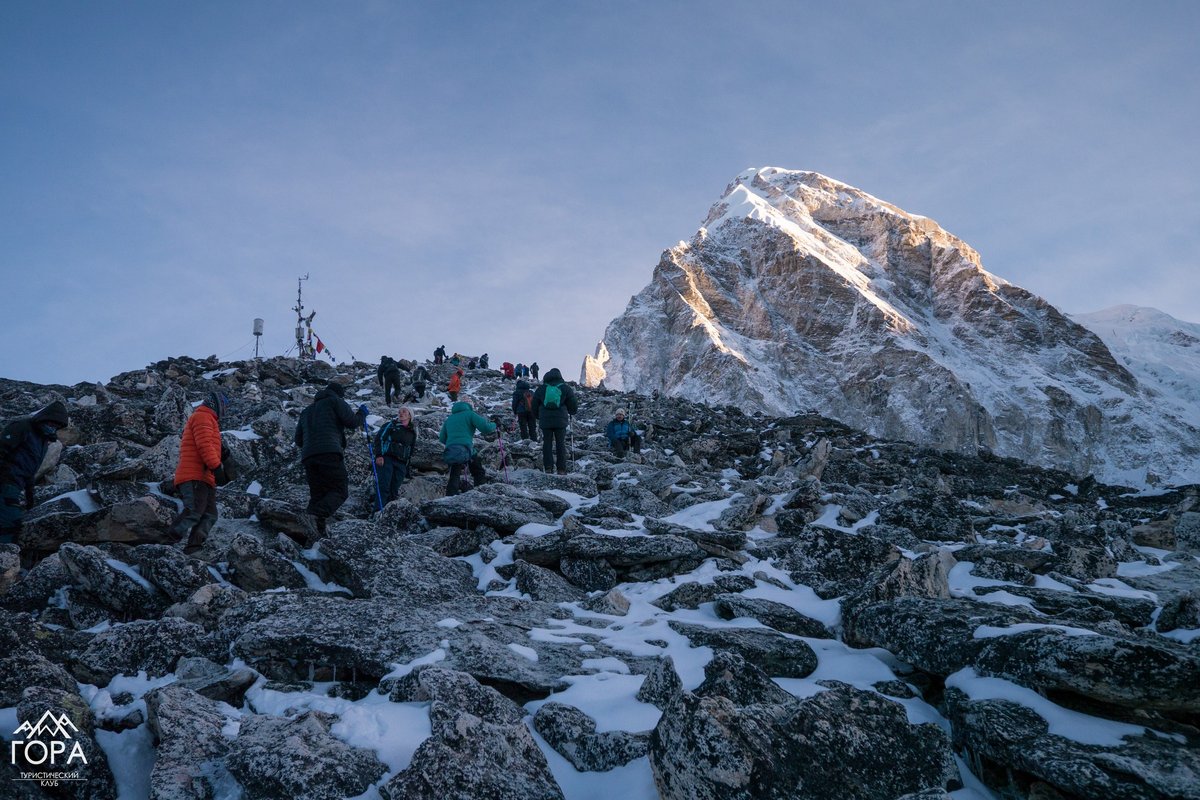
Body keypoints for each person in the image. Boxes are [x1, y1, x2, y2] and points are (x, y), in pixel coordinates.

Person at [295, 380, 367, 539]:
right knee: (340, 490)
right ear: (339, 394)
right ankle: (314, 516)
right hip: (329, 452)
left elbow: (298, 440)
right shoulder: (336, 401)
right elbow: (352, 423)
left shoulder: (306, 411)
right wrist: (362, 413)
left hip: (308, 456)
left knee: (318, 495)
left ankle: (310, 533)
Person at [0, 401, 70, 545]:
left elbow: (30, 471)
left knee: (11, 521)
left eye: (56, 426)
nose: (52, 428)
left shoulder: (43, 441)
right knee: (10, 521)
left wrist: (30, 495)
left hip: (15, 485)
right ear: (43, 418)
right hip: (5, 481)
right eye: (50, 423)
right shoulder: (23, 427)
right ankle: (4, 560)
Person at [170, 391, 226, 553]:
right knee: (194, 511)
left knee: (210, 514)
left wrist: (222, 453)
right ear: (217, 404)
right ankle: (168, 540)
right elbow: (204, 445)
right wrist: (217, 466)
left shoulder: (209, 419)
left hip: (204, 476)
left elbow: (206, 443)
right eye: (224, 404)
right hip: (194, 475)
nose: (225, 409)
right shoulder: (203, 417)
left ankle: (194, 547)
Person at [437, 396, 496, 496]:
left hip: (452, 450)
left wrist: (453, 441)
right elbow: (486, 428)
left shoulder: (449, 419)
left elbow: (442, 438)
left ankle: (450, 497)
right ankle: (480, 494)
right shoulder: (470, 414)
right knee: (478, 471)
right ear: (470, 406)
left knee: (455, 473)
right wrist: (495, 424)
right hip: (467, 448)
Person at [532, 368, 578, 474]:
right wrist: (571, 412)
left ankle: (548, 467)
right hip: (560, 420)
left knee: (547, 443)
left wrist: (539, 416)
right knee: (560, 443)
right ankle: (561, 469)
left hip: (545, 420)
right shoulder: (565, 388)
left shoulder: (541, 389)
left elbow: (534, 405)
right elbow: (573, 404)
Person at [374, 406, 417, 505]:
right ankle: (378, 512)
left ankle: (389, 513)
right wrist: (379, 455)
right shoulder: (390, 425)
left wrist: (407, 467)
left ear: (410, 415)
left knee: (394, 489)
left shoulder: (412, 432)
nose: (401, 413)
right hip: (387, 458)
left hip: (401, 463)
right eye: (399, 411)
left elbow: (411, 450)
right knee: (384, 486)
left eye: (404, 411)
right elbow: (379, 439)